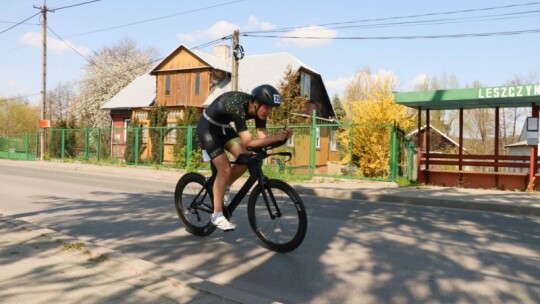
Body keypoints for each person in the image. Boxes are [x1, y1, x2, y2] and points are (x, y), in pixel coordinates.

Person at [197, 84, 293, 231]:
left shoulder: (259, 112)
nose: (269, 111)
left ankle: (223, 187)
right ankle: (217, 215)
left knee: (245, 159)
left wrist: (282, 138)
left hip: (224, 128)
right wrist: (274, 138)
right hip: (207, 128)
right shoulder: (238, 107)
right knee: (225, 169)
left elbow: (263, 140)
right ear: (255, 102)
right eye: (267, 107)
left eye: (272, 108)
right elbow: (249, 142)